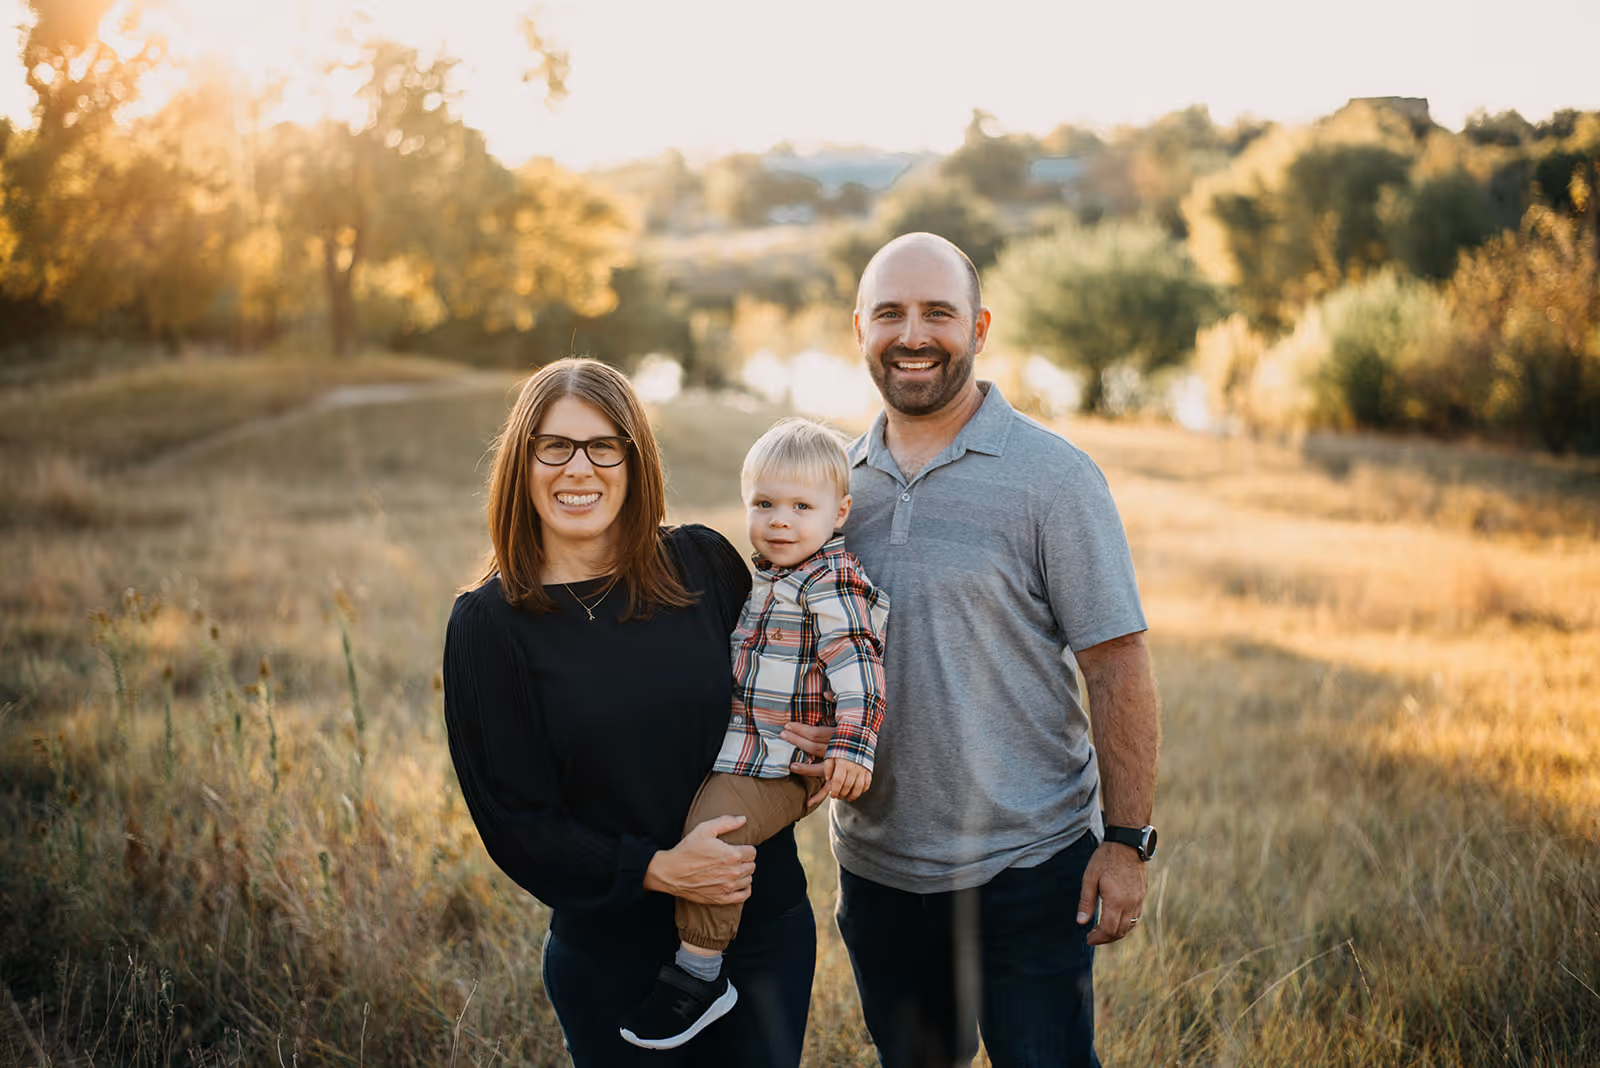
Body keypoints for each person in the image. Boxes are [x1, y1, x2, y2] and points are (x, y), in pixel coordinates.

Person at [830, 233, 1162, 1068]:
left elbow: (1117, 664)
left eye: (937, 313)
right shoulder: (831, 489)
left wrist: (1126, 843)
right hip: (878, 873)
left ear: (978, 328)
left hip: (1029, 871)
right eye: (891, 314)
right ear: (859, 328)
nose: (914, 334)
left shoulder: (1054, 478)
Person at [441, 358, 822, 1067]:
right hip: (613, 959)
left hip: (762, 932)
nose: (577, 469)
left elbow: (780, 691)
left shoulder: (703, 565)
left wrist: (821, 742)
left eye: (602, 446)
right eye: (553, 446)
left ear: (634, 458)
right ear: (521, 462)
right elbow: (516, 821)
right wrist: (659, 869)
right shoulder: (489, 627)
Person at [620, 417, 889, 1050]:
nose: (780, 520)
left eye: (801, 506)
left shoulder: (831, 581)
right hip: (747, 753)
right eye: (764, 504)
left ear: (840, 511)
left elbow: (859, 665)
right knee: (692, 815)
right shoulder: (767, 576)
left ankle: (700, 973)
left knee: (717, 831)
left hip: (780, 766)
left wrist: (852, 745)